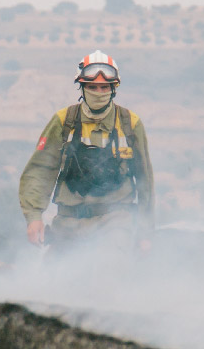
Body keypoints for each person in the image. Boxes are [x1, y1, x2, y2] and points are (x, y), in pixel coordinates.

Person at [18, 50, 154, 256]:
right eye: (92, 87)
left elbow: (145, 180)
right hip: (69, 221)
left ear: (113, 88)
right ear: (82, 87)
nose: (99, 92)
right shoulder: (64, 121)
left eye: (104, 87)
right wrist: (34, 217)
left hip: (116, 221)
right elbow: (40, 170)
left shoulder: (130, 123)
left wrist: (145, 233)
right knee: (55, 274)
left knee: (109, 265)